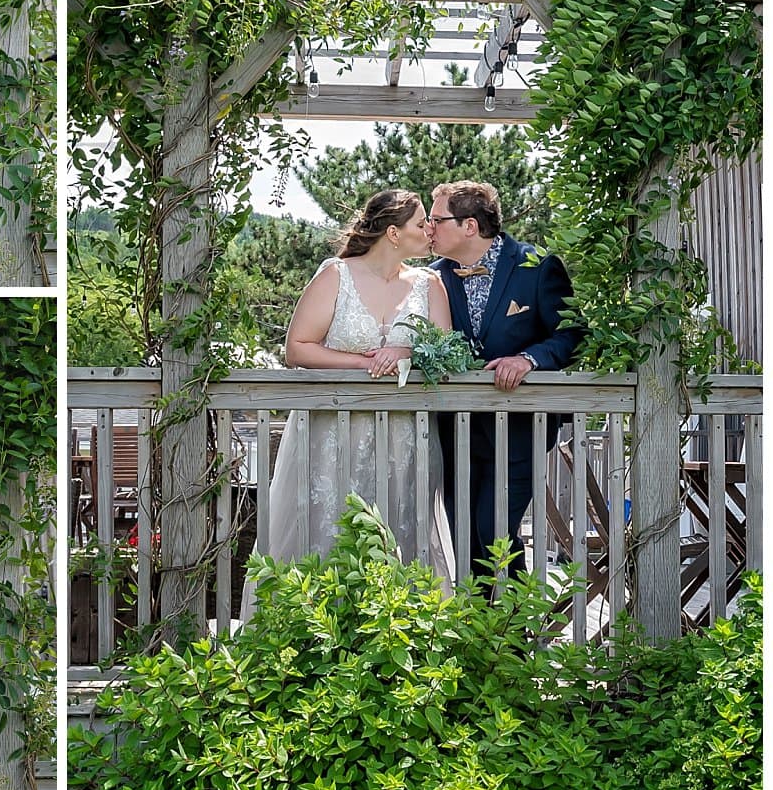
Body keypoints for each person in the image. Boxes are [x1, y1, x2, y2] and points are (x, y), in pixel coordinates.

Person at [249, 190, 457, 613]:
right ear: (394, 233)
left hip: (402, 438)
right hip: (330, 434)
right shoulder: (336, 275)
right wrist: (362, 362)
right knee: (324, 530)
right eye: (422, 224)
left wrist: (408, 353)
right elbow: (298, 348)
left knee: (399, 533)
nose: (430, 230)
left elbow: (448, 352)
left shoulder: (429, 285)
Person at [428, 180, 583, 580]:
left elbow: (571, 334)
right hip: (454, 432)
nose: (429, 228)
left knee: (494, 531)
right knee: (463, 537)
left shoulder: (536, 265)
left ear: (469, 226)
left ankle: (510, 638)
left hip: (519, 429)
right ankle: (477, 635)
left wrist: (530, 359)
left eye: (437, 219)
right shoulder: (431, 278)